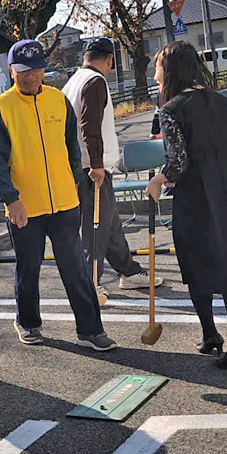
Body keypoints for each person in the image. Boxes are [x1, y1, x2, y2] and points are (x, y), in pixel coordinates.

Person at [0, 39, 116, 351]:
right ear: (11, 71)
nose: (30, 77)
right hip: (24, 207)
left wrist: (73, 181)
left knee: (76, 268)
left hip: (65, 203)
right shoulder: (1, 108)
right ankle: (28, 322)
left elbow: (72, 148)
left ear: (44, 69)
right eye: (23, 72)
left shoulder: (58, 101)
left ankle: (90, 330)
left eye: (35, 70)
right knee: (28, 268)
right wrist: (9, 198)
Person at [147, 41, 227, 371]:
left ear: (171, 70)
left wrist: (157, 181)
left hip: (196, 194)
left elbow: (179, 163)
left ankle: (211, 334)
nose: (155, 74)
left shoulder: (170, 109)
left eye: (158, 67)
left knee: (197, 264)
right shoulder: (223, 102)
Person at [62, 38, 163, 298]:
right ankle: (90, 283)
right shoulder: (95, 82)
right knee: (96, 227)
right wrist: (96, 164)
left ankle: (128, 270)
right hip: (92, 168)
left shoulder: (72, 82)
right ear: (109, 60)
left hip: (82, 165)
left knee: (109, 224)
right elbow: (89, 124)